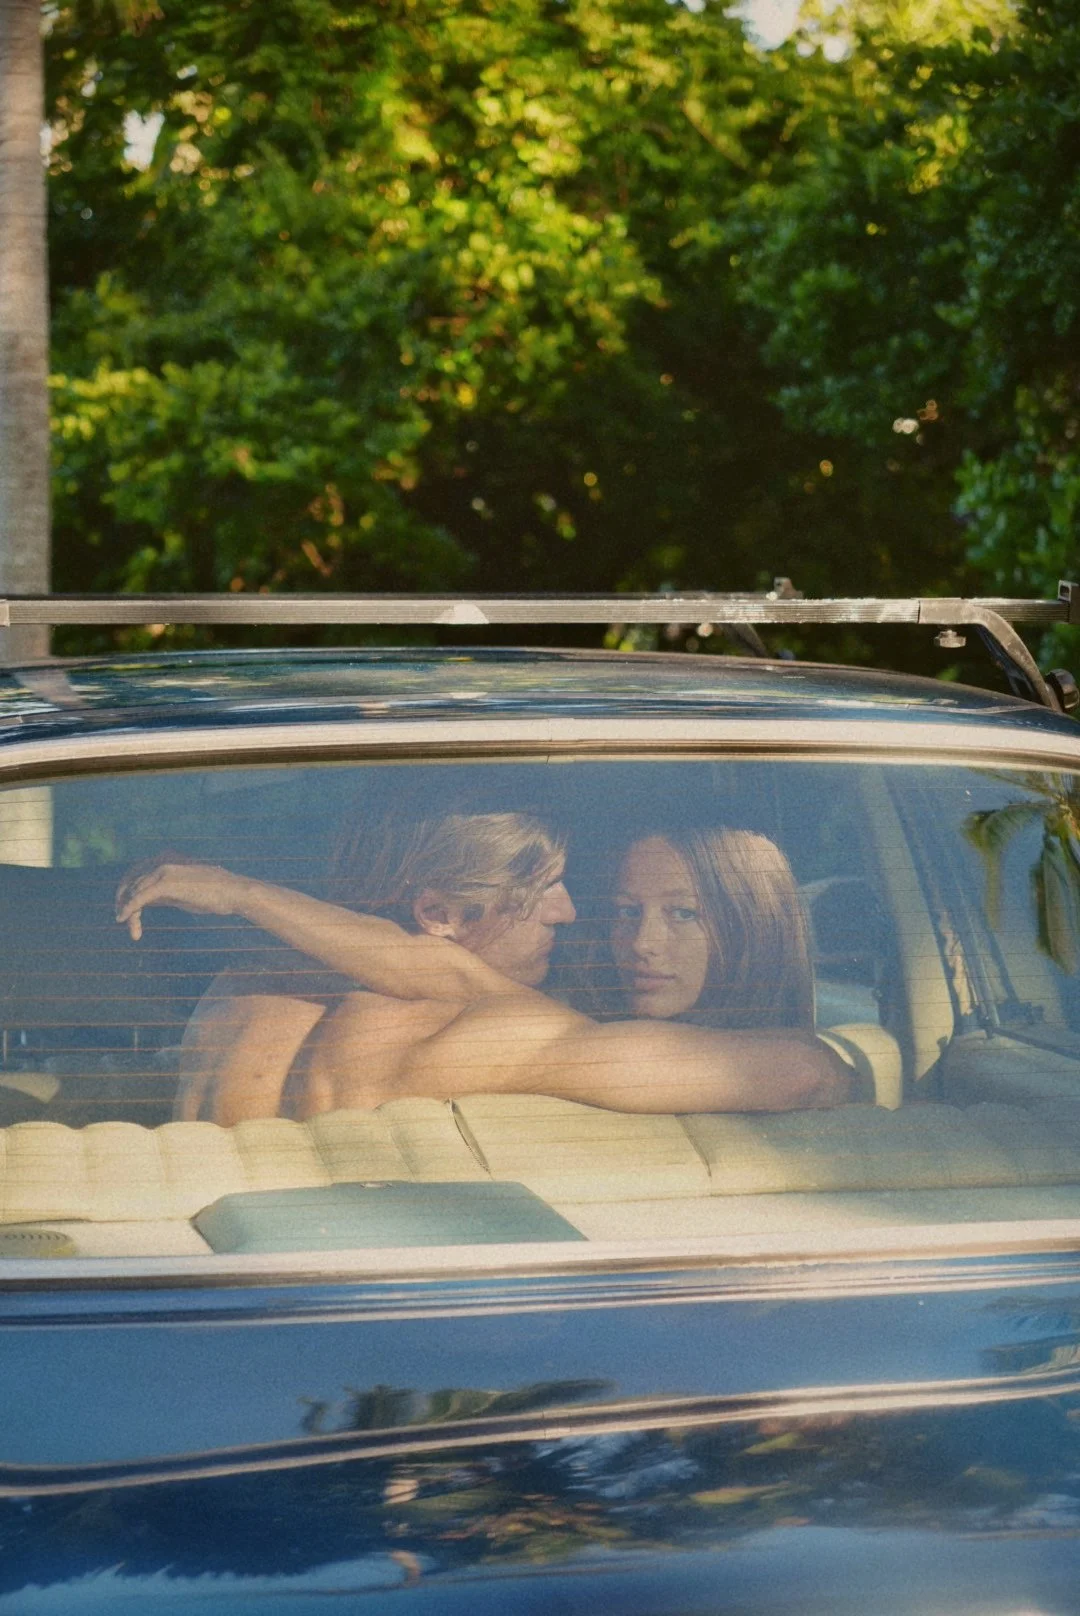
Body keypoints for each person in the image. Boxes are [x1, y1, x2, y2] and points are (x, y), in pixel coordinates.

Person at [116, 815, 850, 1122]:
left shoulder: (244, 987)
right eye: (538, 897)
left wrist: (244, 894)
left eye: (681, 913)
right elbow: (807, 1072)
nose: (572, 915)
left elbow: (411, 963)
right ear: (439, 916)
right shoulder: (505, 1035)